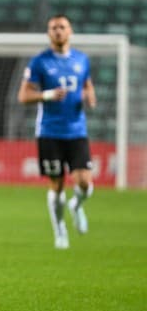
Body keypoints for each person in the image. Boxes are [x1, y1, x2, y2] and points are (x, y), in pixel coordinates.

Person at [17, 14, 96, 250]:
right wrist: (47, 95)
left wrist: (90, 95)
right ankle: (60, 229)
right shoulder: (39, 62)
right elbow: (23, 96)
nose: (58, 31)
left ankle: (77, 205)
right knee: (57, 184)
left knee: (84, 183)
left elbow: (87, 84)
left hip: (77, 131)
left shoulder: (82, 60)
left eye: (62, 27)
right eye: (53, 28)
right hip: (49, 132)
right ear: (49, 33)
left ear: (70, 31)